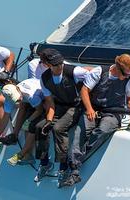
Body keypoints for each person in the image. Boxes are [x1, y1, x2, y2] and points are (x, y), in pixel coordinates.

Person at [69, 54, 130, 187]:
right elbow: (84, 90)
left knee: (104, 129)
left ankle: (79, 158)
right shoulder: (99, 72)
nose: (127, 76)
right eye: (125, 73)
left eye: (129, 74)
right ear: (117, 67)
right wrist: (89, 109)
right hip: (93, 108)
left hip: (114, 111)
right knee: (79, 133)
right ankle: (73, 169)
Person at [33, 48, 90, 187]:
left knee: (58, 128)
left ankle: (64, 167)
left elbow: (94, 72)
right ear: (46, 64)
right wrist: (49, 120)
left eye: (60, 63)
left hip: (75, 106)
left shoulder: (74, 71)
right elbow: (50, 102)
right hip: (59, 106)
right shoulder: (44, 78)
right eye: (55, 64)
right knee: (40, 127)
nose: (59, 66)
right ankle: (44, 163)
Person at [0, 78, 44, 166]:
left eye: (18, 98)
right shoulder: (9, 94)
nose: (17, 101)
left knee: (31, 125)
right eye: (15, 100)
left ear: (17, 90)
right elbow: (5, 116)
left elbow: (40, 110)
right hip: (32, 101)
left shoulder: (31, 95)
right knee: (22, 106)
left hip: (46, 101)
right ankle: (15, 136)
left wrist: (28, 121)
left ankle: (22, 154)